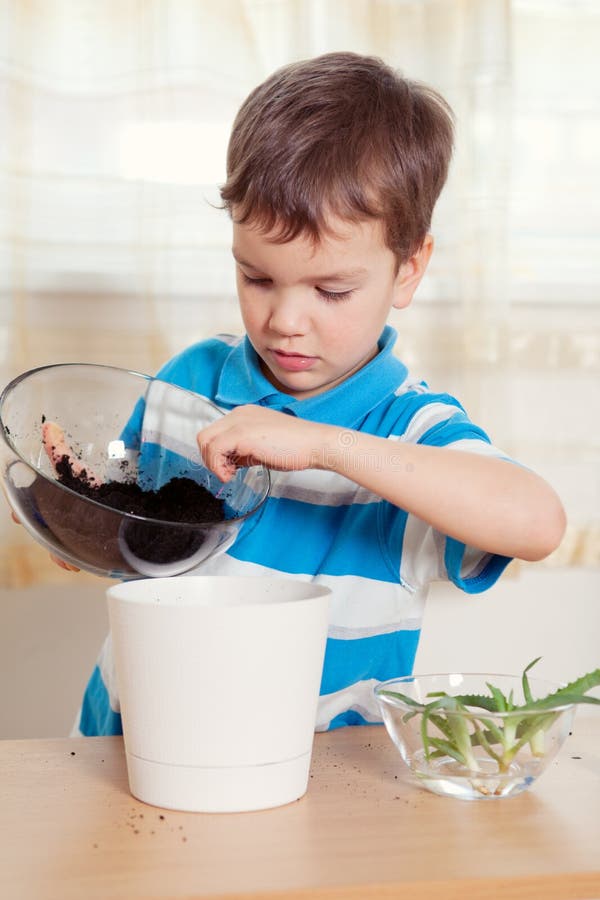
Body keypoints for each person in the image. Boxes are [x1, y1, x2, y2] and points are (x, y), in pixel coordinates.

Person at [74, 51, 565, 735]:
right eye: (257, 278)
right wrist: (68, 506)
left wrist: (325, 446)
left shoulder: (411, 431)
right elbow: (124, 531)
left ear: (408, 270)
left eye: (331, 290)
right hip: (134, 741)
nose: (285, 321)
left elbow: (537, 522)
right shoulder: (188, 384)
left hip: (314, 788)